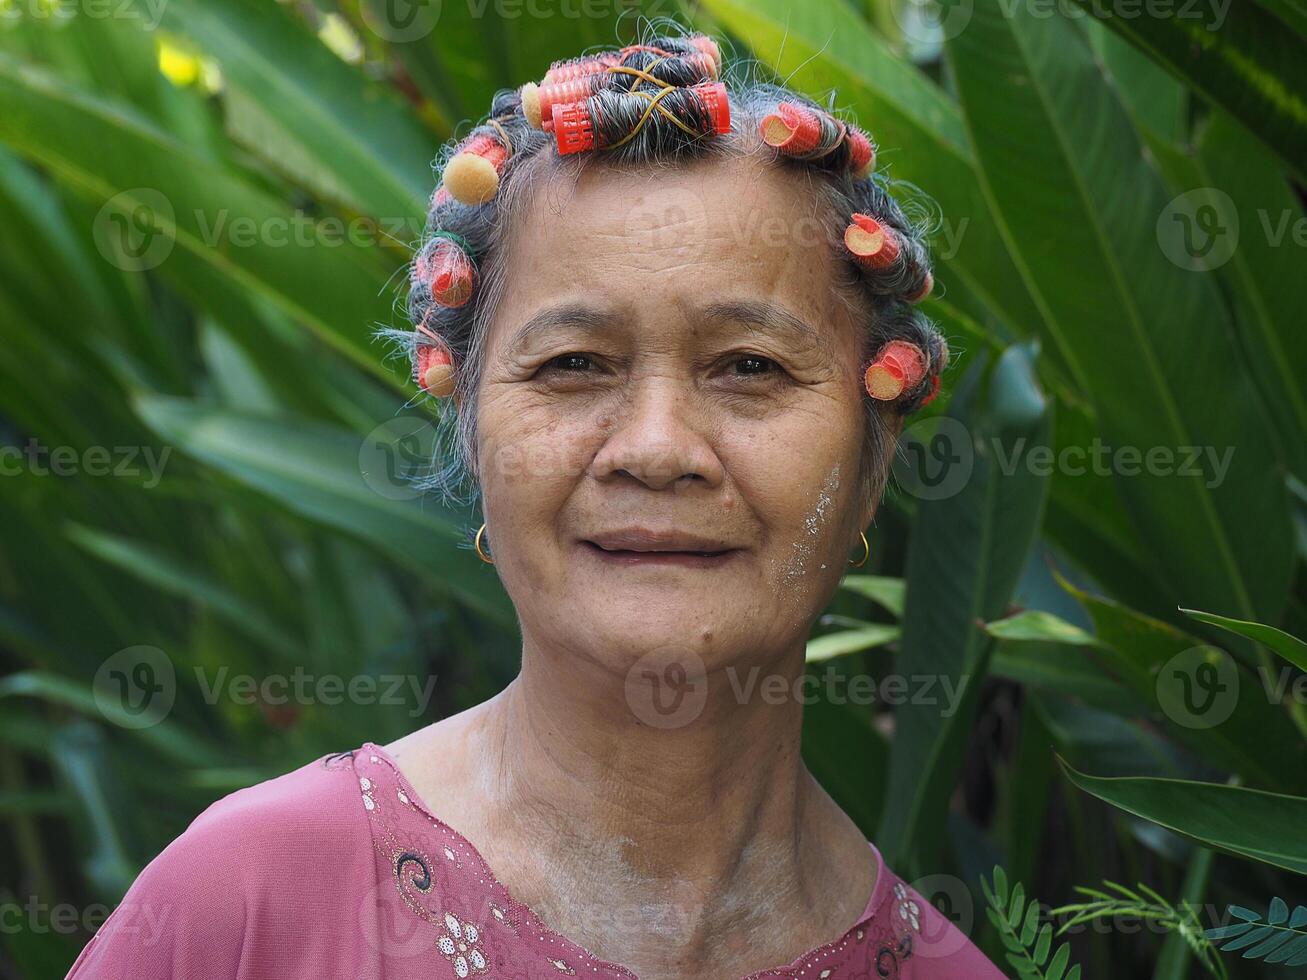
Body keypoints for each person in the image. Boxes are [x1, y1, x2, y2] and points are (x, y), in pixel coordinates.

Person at [67, 27, 1004, 980]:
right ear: (470, 428)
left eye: (750, 367)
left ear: (872, 451)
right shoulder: (250, 905)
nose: (655, 449)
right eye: (573, 365)